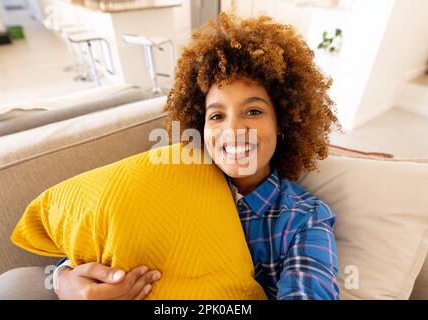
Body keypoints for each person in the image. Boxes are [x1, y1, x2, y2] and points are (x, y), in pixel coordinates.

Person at [55, 12, 341, 300]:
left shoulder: (304, 220)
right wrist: (63, 278)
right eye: (217, 115)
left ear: (282, 122)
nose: (233, 129)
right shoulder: (175, 180)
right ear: (199, 127)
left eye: (253, 111)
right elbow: (111, 227)